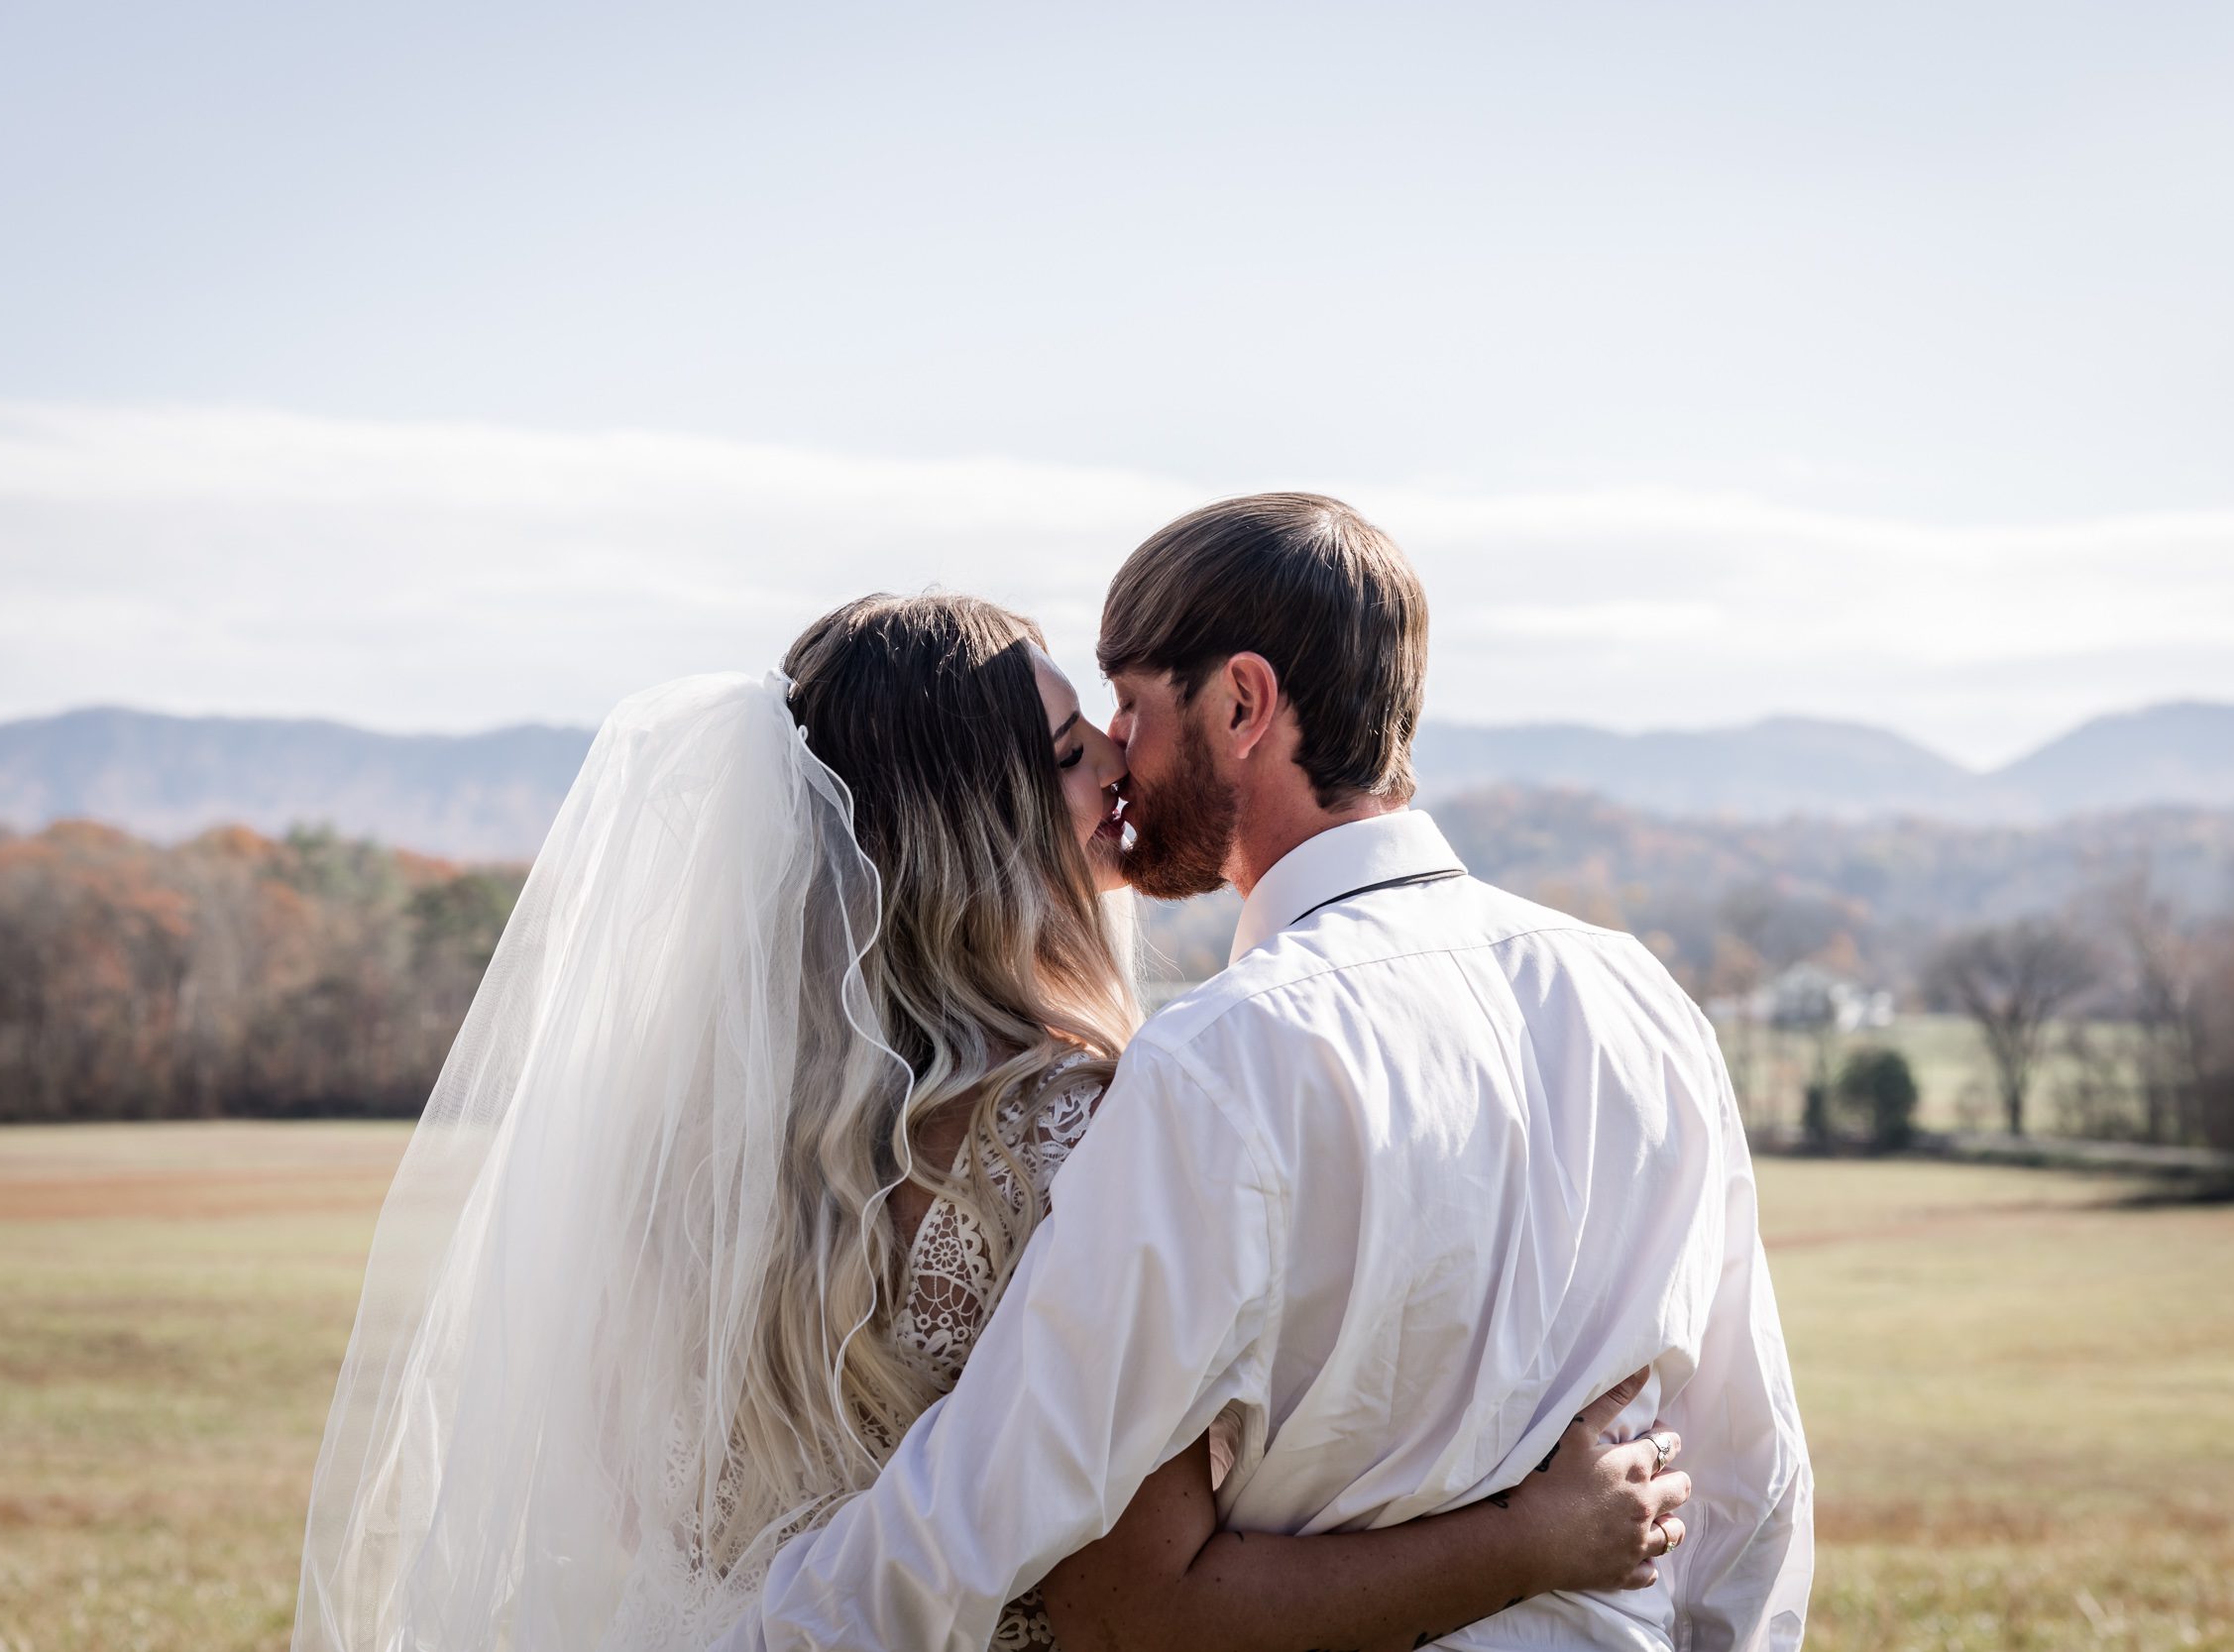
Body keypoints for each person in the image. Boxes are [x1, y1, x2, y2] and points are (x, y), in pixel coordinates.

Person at [291, 590, 1690, 1652]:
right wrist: (1534, 1536)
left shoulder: (679, 1139)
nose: (1118, 783)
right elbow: (1135, 1596)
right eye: (1076, 750)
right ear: (982, 812)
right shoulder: (1084, 1124)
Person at [728, 497, 1814, 1652]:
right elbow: (1750, 1472)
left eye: (1132, 708)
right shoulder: (1644, 1002)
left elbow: (1010, 1494)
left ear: (1241, 702)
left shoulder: (1219, 1063)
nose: (1117, 759)